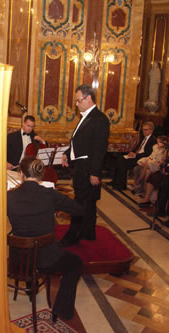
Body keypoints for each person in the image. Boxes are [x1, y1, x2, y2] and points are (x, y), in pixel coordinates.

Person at [7, 156, 82, 321]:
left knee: (26, 238)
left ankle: (29, 288)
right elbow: (77, 210)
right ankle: (62, 310)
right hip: (46, 259)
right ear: (41, 175)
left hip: (18, 259)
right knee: (75, 263)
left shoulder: (9, 197)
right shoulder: (50, 194)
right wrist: (57, 209)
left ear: (21, 174)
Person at [59, 84, 110, 245]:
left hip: (88, 168)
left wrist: (95, 173)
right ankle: (89, 233)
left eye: (78, 100)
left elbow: (99, 148)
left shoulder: (100, 119)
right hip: (81, 166)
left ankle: (74, 235)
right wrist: (67, 154)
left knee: (81, 203)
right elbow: (78, 143)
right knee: (88, 203)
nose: (76, 104)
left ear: (88, 98)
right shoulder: (85, 116)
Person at [109, 121, 157, 190]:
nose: (144, 131)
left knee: (122, 161)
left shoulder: (152, 140)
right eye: (143, 130)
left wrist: (135, 155)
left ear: (151, 130)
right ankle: (115, 181)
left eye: (146, 130)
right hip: (136, 156)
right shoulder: (143, 137)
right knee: (119, 158)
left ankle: (121, 185)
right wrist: (132, 152)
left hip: (141, 158)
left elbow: (147, 154)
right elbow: (137, 147)